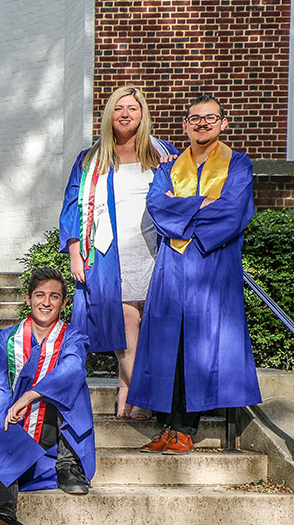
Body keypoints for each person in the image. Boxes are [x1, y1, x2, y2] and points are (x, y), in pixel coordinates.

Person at [130, 94, 262, 454]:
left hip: (212, 263)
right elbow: (157, 204)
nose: (202, 123)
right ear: (185, 125)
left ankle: (187, 428)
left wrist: (183, 213)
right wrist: (200, 204)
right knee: (165, 347)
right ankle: (166, 427)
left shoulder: (237, 165)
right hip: (172, 268)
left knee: (201, 346)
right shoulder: (168, 169)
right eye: (195, 118)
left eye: (210, 118)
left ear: (223, 123)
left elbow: (232, 212)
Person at [59, 85, 178, 420]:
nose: (125, 114)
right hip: (111, 252)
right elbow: (71, 207)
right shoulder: (89, 159)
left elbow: (182, 192)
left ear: (143, 115)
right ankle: (136, 389)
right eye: (118, 108)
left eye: (133, 108)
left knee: (150, 322)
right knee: (124, 321)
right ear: (108, 115)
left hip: (156, 249)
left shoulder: (162, 152)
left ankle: (128, 388)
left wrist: (174, 166)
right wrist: (73, 252)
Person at [0, 267, 95, 525]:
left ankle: (68, 463)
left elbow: (72, 367)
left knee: (75, 381)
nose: (46, 302)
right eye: (40, 295)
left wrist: (30, 395)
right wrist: (6, 416)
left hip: (53, 432)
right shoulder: (8, 338)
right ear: (29, 299)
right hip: (18, 426)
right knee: (4, 452)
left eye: (54, 296)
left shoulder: (72, 337)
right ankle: (4, 517)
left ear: (64, 303)